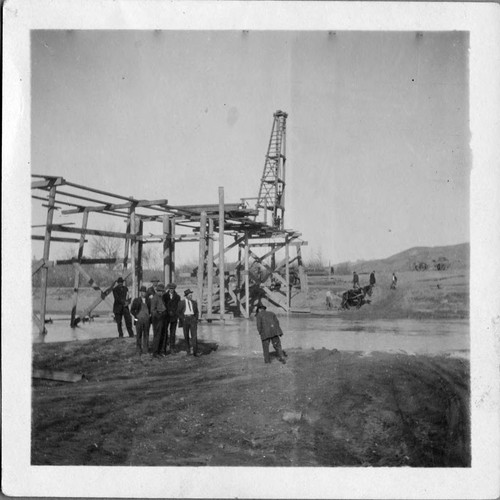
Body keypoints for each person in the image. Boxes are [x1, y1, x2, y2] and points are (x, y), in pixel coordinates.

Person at [177, 289, 200, 357]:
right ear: (186, 296)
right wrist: (182, 318)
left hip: (192, 319)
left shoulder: (194, 303)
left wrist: (196, 319)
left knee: (194, 336)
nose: (191, 296)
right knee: (186, 336)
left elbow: (197, 312)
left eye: (191, 295)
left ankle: (195, 352)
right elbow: (178, 312)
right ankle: (188, 351)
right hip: (185, 319)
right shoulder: (182, 302)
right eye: (189, 295)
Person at [130, 285, 151, 355]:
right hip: (138, 320)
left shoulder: (149, 300)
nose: (143, 293)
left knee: (146, 335)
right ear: (140, 292)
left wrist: (149, 316)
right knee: (138, 335)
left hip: (147, 320)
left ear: (146, 293)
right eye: (142, 292)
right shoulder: (136, 300)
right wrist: (136, 316)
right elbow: (132, 310)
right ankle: (138, 350)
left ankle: (146, 350)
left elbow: (151, 310)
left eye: (144, 292)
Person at [150, 283, 168, 358]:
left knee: (162, 335)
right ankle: (155, 352)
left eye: (162, 291)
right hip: (157, 319)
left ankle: (160, 351)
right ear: (157, 291)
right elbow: (152, 311)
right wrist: (159, 316)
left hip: (163, 318)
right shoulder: (155, 298)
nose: (161, 292)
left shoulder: (161, 298)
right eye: (160, 291)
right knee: (157, 336)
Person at [163, 283, 181, 353]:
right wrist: (168, 312)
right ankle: (164, 348)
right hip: (166, 316)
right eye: (170, 289)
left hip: (174, 317)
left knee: (173, 332)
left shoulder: (177, 297)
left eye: (172, 289)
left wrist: (176, 314)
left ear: (174, 289)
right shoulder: (164, 296)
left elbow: (178, 307)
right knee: (165, 332)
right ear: (168, 289)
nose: (171, 290)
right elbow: (163, 306)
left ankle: (172, 347)